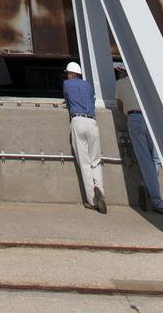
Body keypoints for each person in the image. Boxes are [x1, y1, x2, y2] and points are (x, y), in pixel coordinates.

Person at [115, 63, 163, 214]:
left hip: (134, 118)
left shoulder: (119, 84)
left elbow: (119, 105)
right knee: (157, 158)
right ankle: (148, 187)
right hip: (151, 118)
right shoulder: (144, 80)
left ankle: (157, 200)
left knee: (145, 160)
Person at [62, 61, 106, 213]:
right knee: (96, 161)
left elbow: (67, 102)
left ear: (72, 74)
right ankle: (100, 190)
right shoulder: (88, 85)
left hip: (78, 120)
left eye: (68, 73)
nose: (67, 75)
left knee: (85, 163)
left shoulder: (67, 84)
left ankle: (92, 200)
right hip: (92, 122)